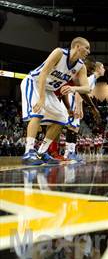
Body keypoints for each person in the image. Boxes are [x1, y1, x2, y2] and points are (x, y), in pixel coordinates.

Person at [20, 37, 91, 165]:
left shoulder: (81, 66)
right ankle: (28, 151)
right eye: (87, 48)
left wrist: (73, 87)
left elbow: (87, 88)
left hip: (48, 89)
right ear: (77, 46)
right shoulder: (59, 53)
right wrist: (41, 98)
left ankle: (41, 152)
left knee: (62, 118)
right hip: (34, 82)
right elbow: (43, 74)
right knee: (38, 111)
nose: (88, 51)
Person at [64, 61, 105, 162]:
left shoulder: (93, 79)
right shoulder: (91, 79)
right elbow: (79, 92)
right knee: (72, 127)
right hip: (73, 99)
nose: (104, 69)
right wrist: (78, 107)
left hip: (74, 100)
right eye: (103, 67)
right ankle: (69, 153)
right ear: (98, 69)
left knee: (75, 128)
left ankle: (69, 153)